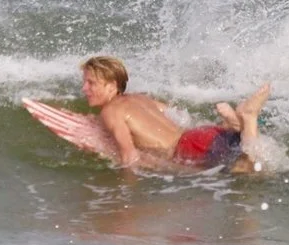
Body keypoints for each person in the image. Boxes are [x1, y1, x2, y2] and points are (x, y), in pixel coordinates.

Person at [80, 56, 272, 173]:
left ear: (112, 86)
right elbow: (177, 113)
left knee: (248, 169)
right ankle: (235, 124)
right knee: (258, 160)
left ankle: (248, 117)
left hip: (189, 149)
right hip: (202, 134)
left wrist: (126, 194)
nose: (84, 88)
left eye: (91, 83)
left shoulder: (110, 112)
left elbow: (129, 157)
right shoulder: (140, 98)